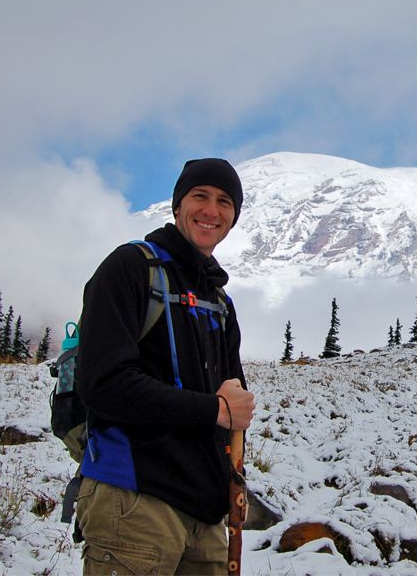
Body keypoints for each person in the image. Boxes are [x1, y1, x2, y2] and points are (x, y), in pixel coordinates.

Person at [75, 158, 256, 575]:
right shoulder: (130, 268)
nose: (211, 210)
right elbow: (103, 384)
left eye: (225, 202)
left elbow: (232, 406)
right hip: (134, 503)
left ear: (233, 219)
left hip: (205, 515)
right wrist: (213, 409)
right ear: (177, 206)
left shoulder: (219, 302)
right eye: (200, 196)